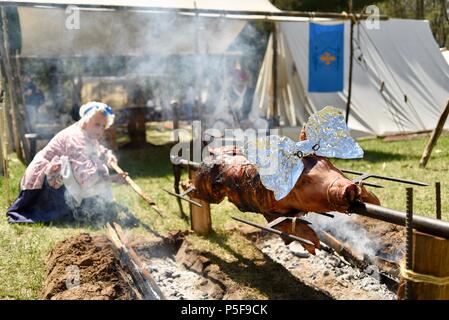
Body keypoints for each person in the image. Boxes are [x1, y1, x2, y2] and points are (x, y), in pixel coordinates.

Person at [6, 101, 128, 225]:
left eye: (103, 126)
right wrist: (111, 179)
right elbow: (86, 175)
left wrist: (108, 157)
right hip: (42, 185)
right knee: (72, 170)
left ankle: (85, 208)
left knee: (90, 172)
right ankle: (57, 210)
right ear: (86, 120)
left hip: (58, 180)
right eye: (97, 124)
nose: (100, 130)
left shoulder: (88, 134)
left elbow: (98, 150)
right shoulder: (75, 137)